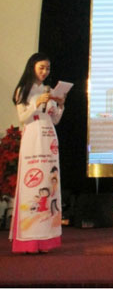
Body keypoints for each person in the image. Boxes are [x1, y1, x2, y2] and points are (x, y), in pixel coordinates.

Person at [10, 52, 66, 254]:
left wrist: (60, 104)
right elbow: (23, 117)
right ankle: (29, 239)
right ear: (32, 66)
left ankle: (46, 238)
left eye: (47, 68)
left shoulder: (47, 90)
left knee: (49, 183)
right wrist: (35, 102)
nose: (45, 72)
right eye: (41, 67)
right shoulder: (24, 90)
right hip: (33, 138)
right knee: (32, 184)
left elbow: (55, 119)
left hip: (49, 138)